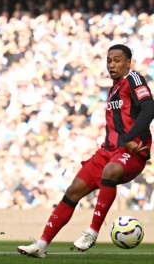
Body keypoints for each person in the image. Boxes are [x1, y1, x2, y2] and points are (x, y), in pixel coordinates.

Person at [18, 44, 154, 258]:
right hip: (107, 151)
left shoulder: (133, 79)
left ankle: (92, 232)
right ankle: (41, 245)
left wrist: (129, 138)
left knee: (110, 172)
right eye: (109, 60)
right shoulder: (114, 88)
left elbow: (149, 108)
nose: (112, 64)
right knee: (73, 190)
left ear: (128, 62)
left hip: (133, 152)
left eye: (117, 60)